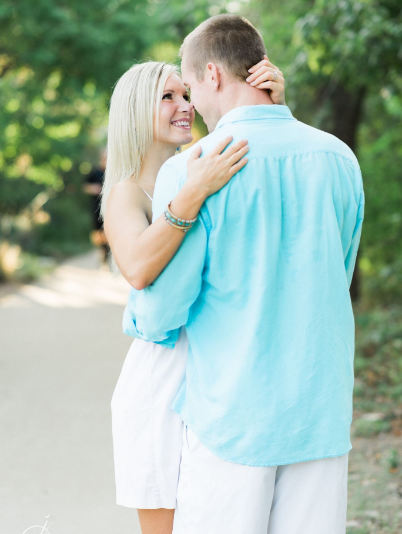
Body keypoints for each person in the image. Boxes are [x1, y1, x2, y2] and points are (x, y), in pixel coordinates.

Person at [123, 14, 365, 534]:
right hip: (319, 408)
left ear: (211, 75)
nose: (191, 105)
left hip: (233, 413)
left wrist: (143, 323)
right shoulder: (340, 158)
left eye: (189, 88)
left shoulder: (194, 167)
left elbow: (166, 308)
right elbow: (339, 271)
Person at [101, 56, 286, 534]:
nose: (184, 106)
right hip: (162, 376)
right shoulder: (128, 191)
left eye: (186, 94)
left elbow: (272, 173)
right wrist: (190, 195)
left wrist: (272, 102)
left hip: (222, 368)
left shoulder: (208, 162)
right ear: (137, 110)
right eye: (168, 97)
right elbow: (138, 269)